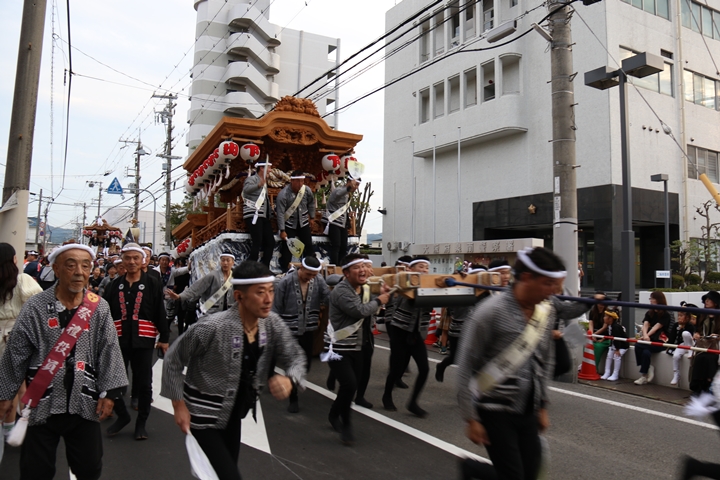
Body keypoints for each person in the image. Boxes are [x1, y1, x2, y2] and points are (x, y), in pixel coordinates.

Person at [162, 260, 306, 480]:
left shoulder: (271, 323)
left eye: (271, 291)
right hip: (202, 414)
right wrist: (178, 405)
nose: (269, 299)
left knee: (222, 472)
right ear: (239, 296)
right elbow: (173, 360)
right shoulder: (211, 327)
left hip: (234, 413)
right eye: (260, 292)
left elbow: (295, 356)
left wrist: (290, 379)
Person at [457, 247, 592, 480]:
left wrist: (542, 406)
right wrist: (471, 418)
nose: (555, 291)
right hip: (494, 409)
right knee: (513, 476)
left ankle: (474, 470)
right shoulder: (489, 312)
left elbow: (544, 361)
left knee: (530, 475)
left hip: (528, 408)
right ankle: (474, 469)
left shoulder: (546, 309)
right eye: (549, 284)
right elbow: (465, 365)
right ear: (527, 278)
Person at [0, 243, 127, 479]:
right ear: (56, 269)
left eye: (85, 266)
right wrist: (5, 395)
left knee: (89, 468)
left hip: (85, 402)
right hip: (41, 403)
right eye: (71, 265)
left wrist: (110, 393)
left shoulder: (99, 307)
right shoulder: (35, 306)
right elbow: (15, 353)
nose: (79, 272)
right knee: (35, 470)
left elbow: (109, 350)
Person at [103, 243, 169, 440]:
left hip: (144, 339)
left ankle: (141, 423)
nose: (131, 262)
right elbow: (106, 313)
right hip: (118, 339)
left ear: (143, 261)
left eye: (135, 258)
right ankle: (123, 416)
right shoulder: (114, 285)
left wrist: (164, 338)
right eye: (127, 258)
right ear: (121, 261)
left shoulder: (152, 283)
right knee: (114, 380)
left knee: (144, 383)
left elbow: (159, 311)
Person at [324, 253, 390, 445]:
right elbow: (359, 311)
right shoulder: (341, 291)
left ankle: (334, 413)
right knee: (349, 384)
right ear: (346, 273)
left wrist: (383, 295)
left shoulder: (365, 288)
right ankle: (346, 425)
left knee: (350, 386)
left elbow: (371, 308)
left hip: (358, 345)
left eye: (364, 266)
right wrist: (380, 300)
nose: (363, 270)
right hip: (338, 346)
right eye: (357, 267)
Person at [272, 256, 330, 412]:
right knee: (293, 363)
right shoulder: (285, 282)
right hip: (289, 329)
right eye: (308, 274)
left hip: (309, 329)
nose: (310, 277)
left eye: (314, 275)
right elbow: (276, 307)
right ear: (301, 268)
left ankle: (294, 382)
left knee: (306, 364)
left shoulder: (318, 280)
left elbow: (327, 298)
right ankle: (293, 398)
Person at [0, 243, 43, 439]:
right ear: (14, 259)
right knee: (18, 384)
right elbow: (38, 304)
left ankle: (7, 428)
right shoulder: (22, 280)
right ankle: (19, 426)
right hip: (15, 335)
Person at [382, 256, 433, 417]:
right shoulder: (402, 282)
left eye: (426, 267)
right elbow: (400, 301)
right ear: (410, 269)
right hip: (400, 329)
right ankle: (387, 395)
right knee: (396, 368)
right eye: (420, 266)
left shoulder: (431, 285)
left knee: (424, 369)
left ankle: (413, 403)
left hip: (416, 332)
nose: (424, 270)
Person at [436, 265, 491, 383]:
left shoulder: (487, 293)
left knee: (475, 359)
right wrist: (460, 281)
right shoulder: (461, 289)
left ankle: (472, 385)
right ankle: (441, 366)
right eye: (478, 277)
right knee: (455, 358)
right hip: (458, 330)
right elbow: (451, 308)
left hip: (476, 331)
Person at [166, 252, 236, 317]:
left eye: (228, 260)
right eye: (223, 260)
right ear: (220, 262)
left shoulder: (236, 277)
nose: (225, 263)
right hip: (213, 313)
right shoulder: (213, 275)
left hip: (230, 313)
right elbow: (196, 288)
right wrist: (179, 296)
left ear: (233, 262)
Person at [276, 170, 316, 272]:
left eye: (302, 181)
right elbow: (280, 213)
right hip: (289, 223)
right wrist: (282, 230)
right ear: (292, 181)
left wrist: (312, 217)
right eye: (298, 181)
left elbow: (311, 203)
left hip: (303, 222)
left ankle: (311, 267)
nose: (300, 184)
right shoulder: (283, 194)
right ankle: (285, 270)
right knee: (287, 248)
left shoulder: (307, 190)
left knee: (309, 245)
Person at [633, 290, 672, 385]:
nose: (650, 300)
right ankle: (645, 373)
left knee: (639, 346)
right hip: (649, 339)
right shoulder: (649, 312)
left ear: (658, 300)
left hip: (660, 341)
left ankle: (644, 373)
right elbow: (645, 324)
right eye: (650, 298)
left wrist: (646, 336)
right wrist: (645, 335)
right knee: (645, 352)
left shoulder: (665, 314)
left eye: (652, 298)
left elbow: (657, 327)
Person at [243, 160, 276, 268]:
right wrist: (258, 185)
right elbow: (246, 190)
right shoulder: (251, 179)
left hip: (263, 216)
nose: (270, 170)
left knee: (270, 242)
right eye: (268, 168)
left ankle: (264, 267)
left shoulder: (264, 182)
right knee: (257, 241)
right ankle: (250, 268)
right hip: (253, 214)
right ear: (262, 168)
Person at [323, 177, 360, 265]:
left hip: (342, 223)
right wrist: (349, 188)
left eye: (357, 185)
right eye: (356, 184)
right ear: (349, 182)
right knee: (336, 245)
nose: (356, 187)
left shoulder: (347, 194)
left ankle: (341, 266)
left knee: (344, 247)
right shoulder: (338, 190)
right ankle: (335, 266)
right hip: (333, 222)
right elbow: (339, 194)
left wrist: (348, 214)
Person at [667, 304, 696, 385]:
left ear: (687, 317)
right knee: (676, 356)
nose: (679, 317)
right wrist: (670, 346)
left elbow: (690, 336)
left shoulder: (690, 326)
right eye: (678, 315)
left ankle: (690, 350)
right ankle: (676, 374)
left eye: (681, 316)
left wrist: (682, 329)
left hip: (690, 344)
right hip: (682, 345)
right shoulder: (676, 325)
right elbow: (672, 337)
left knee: (685, 333)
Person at [596, 309, 627, 381]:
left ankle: (615, 374)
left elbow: (617, 338)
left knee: (616, 357)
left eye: (605, 316)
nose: (603, 318)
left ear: (610, 318)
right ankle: (607, 372)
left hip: (622, 345)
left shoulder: (616, 327)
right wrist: (602, 339)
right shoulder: (610, 326)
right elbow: (608, 334)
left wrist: (617, 349)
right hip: (613, 344)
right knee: (609, 356)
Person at [588, 292, 609, 373]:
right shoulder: (593, 311)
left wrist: (594, 334)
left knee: (597, 347)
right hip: (595, 335)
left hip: (605, 336)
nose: (601, 304)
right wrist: (591, 334)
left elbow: (605, 327)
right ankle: (586, 366)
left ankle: (593, 369)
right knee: (587, 345)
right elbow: (591, 323)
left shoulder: (607, 312)